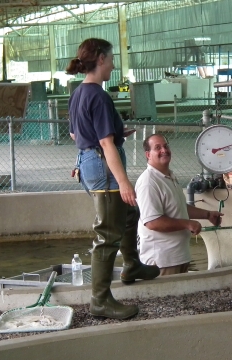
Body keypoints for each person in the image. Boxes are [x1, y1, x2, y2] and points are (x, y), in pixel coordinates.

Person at [66, 38, 160, 320]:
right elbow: (106, 145)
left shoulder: (78, 93)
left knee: (130, 213)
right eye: (112, 57)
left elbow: (75, 134)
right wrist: (124, 182)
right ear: (101, 59)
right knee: (107, 234)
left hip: (87, 162)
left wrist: (117, 135)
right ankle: (100, 300)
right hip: (102, 166)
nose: (114, 63)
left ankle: (132, 265)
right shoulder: (98, 95)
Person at [135, 134, 223, 275]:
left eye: (166, 145)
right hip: (162, 261)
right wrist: (187, 224)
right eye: (157, 148)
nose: (164, 150)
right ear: (148, 155)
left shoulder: (169, 176)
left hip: (179, 257)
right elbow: (152, 222)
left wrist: (207, 215)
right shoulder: (148, 182)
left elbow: (180, 207)